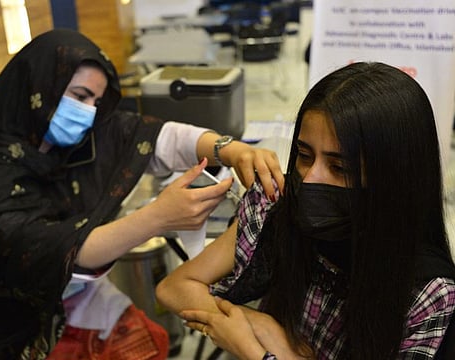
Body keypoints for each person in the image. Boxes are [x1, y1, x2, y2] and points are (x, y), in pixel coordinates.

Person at [0, 29, 284, 359]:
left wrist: (229, 150)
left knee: (150, 340)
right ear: (36, 86)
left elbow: (158, 138)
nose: (88, 112)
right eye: (79, 96)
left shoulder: (79, 138)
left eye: (96, 101)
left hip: (68, 299)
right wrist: (157, 218)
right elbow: (52, 251)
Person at [156, 62, 455, 359]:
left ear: (393, 178)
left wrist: (256, 349)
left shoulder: (429, 295)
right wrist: (261, 324)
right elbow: (176, 287)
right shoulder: (283, 208)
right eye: (304, 155)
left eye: (338, 167)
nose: (310, 179)